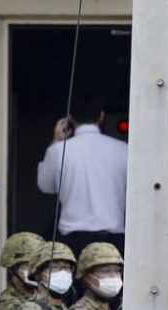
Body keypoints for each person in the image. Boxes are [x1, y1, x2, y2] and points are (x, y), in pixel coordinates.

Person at [37, 94, 128, 260]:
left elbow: (45, 186)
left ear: (70, 118)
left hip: (73, 242)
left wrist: (56, 141)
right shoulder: (123, 150)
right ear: (101, 116)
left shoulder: (59, 150)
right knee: (113, 285)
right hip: (114, 241)